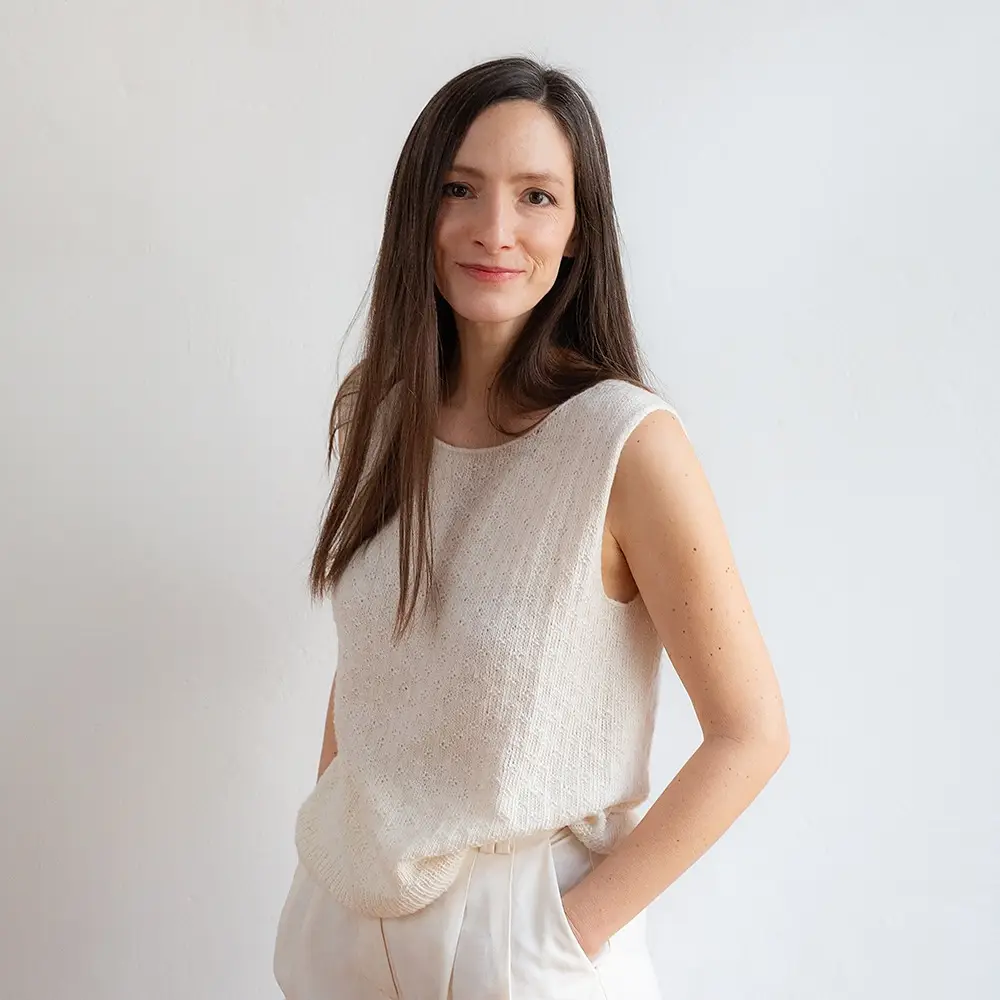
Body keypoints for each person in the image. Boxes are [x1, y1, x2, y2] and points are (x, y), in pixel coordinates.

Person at [273, 55, 790, 1000]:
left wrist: (568, 932)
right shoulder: (381, 414)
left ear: (578, 229)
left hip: (519, 936)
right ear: (418, 209)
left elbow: (749, 733)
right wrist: (332, 844)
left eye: (537, 196)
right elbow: (375, 663)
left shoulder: (626, 444)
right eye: (459, 188)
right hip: (342, 922)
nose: (494, 229)